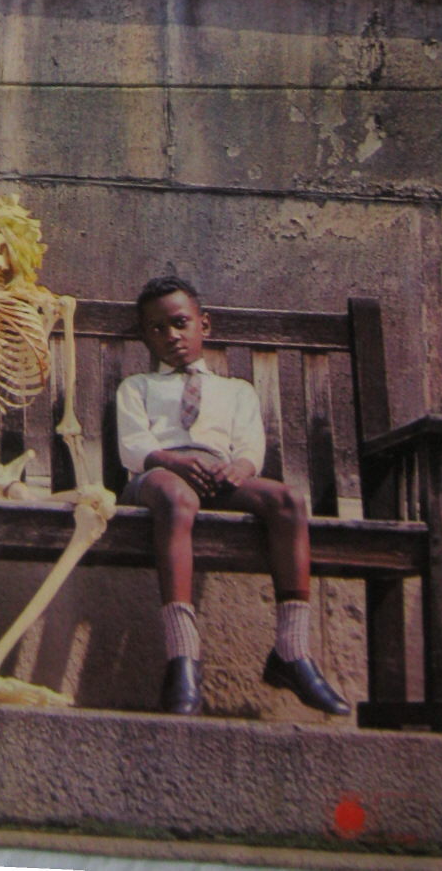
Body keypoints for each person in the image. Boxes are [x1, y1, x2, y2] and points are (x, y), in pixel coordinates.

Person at [116, 273, 350, 718]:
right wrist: (174, 462)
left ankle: (291, 652)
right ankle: (183, 657)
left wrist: (237, 469)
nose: (171, 335)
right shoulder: (137, 387)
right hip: (158, 480)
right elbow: (133, 447)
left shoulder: (236, 390)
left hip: (220, 477)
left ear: (204, 324)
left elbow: (249, 448)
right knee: (178, 497)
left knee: (288, 501)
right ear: (145, 336)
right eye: (157, 328)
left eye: (180, 323)